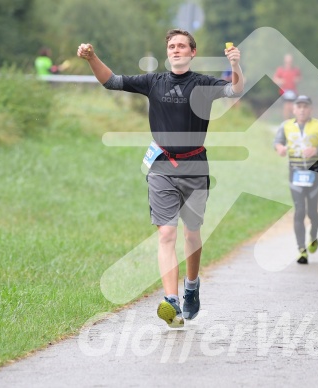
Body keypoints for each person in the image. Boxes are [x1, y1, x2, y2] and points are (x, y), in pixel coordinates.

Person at [77, 28, 244, 328]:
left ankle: (191, 286)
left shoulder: (203, 83)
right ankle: (172, 301)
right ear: (167, 52)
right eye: (171, 46)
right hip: (161, 166)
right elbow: (111, 81)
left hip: (195, 167)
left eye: (182, 46)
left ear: (193, 53)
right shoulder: (154, 81)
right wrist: (91, 58)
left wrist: (235, 65)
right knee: (167, 234)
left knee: (192, 234)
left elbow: (235, 90)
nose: (176, 50)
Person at [274, 95, 318, 264]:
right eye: (299, 106)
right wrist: (280, 148)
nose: (302, 109)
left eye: (305, 106)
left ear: (310, 109)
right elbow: (277, 142)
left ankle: (313, 236)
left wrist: (317, 149)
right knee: (299, 210)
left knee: (312, 212)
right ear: (293, 109)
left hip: (314, 172)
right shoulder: (286, 126)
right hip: (295, 171)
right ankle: (301, 249)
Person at [273, 53, 301, 120]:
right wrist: (281, 81)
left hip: (293, 91)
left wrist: (297, 80)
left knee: (292, 107)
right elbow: (275, 79)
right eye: (287, 61)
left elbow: (299, 78)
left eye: (290, 61)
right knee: (286, 106)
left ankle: (292, 120)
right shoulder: (280, 69)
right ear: (285, 61)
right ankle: (286, 121)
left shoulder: (295, 70)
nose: (289, 63)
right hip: (284, 90)